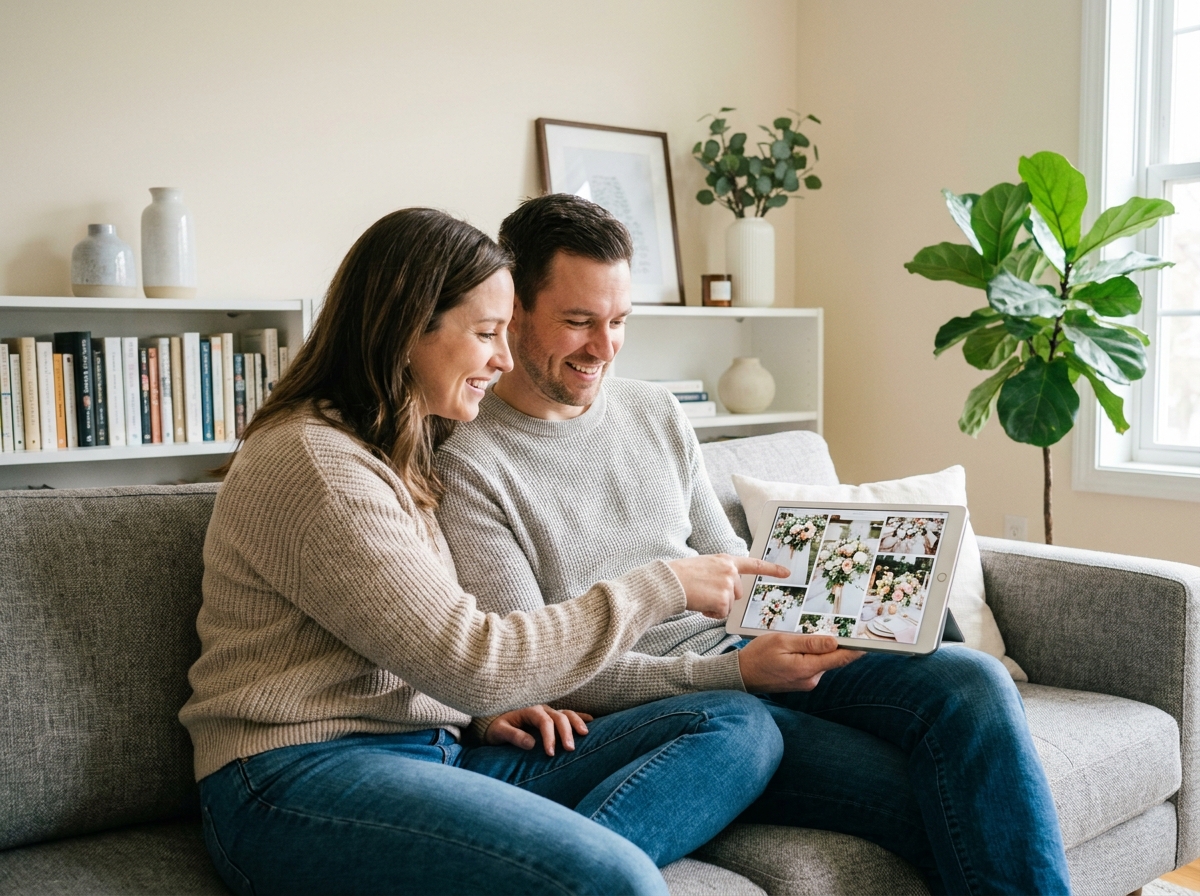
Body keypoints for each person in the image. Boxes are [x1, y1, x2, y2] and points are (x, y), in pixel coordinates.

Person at [435, 194, 1072, 896]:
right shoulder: (468, 459)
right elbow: (535, 669)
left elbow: (734, 561)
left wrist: (832, 599)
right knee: (936, 798)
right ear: (513, 311)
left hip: (746, 651)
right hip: (663, 710)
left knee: (968, 679)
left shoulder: (654, 410)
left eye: (618, 322)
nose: (604, 347)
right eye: (578, 322)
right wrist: (737, 676)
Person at [179, 207, 795, 896]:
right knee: (614, 880)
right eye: (486, 334)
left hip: (435, 753)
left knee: (738, 723)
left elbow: (419, 638)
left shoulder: (396, 449)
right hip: (294, 775)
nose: (503, 359)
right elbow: (472, 659)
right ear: (409, 329)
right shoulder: (317, 463)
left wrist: (481, 712)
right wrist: (663, 585)